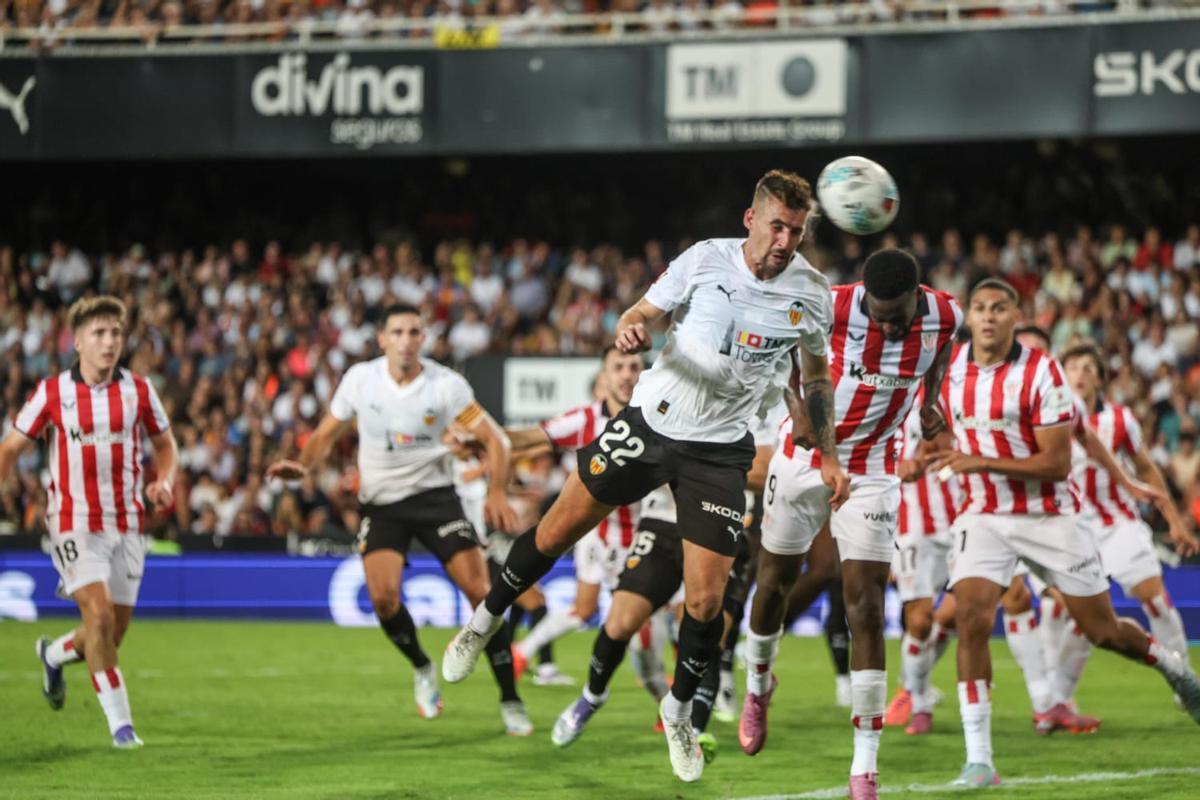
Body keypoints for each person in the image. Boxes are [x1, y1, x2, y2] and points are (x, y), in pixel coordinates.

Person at [442, 169, 844, 783]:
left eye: (797, 230)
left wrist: (828, 449)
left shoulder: (811, 293)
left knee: (705, 602)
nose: (786, 241)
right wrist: (631, 326)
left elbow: (815, 376)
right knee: (553, 534)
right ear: (751, 220)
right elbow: (641, 311)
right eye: (777, 227)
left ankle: (678, 713)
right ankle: (482, 622)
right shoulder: (705, 260)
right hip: (650, 424)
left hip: (718, 453)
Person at [925, 279, 1200, 789]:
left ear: (1016, 316)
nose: (988, 317)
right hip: (982, 515)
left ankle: (1172, 667)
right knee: (971, 619)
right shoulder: (952, 366)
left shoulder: (1042, 373)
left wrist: (978, 460)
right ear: (970, 317)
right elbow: (936, 423)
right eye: (979, 308)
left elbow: (1057, 462)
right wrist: (925, 451)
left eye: (999, 308)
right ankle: (979, 759)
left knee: (1103, 632)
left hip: (1049, 518)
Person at [741, 248, 963, 800]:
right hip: (802, 458)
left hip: (874, 470)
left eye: (898, 317)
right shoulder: (830, 305)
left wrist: (931, 400)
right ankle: (758, 683)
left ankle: (865, 765)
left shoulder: (945, 314)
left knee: (865, 604)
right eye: (879, 316)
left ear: (917, 298)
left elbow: (940, 352)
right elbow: (774, 356)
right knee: (773, 584)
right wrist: (794, 406)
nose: (888, 327)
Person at [265, 303, 533, 735]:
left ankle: (509, 697)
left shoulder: (446, 386)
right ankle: (423, 667)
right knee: (384, 601)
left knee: (481, 594)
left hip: (436, 500)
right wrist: (303, 466)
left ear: (423, 338)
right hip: (382, 504)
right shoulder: (360, 380)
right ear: (382, 339)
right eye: (397, 332)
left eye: (413, 332)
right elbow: (325, 434)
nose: (405, 341)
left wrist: (497, 492)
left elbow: (496, 441)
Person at [6, 296, 179, 748]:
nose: (109, 342)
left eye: (116, 333)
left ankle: (54, 653)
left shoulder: (139, 391)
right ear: (78, 342)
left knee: (110, 634)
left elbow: (166, 446)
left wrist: (165, 481)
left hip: (128, 526)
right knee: (98, 616)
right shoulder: (52, 393)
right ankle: (123, 729)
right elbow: (10, 449)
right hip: (73, 522)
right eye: (99, 334)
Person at [1055, 341, 1199, 705]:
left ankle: (1185, 680)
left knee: (1155, 600)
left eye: (1089, 368)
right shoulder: (1049, 419)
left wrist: (1174, 520)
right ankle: (1059, 701)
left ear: (1100, 379)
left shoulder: (1120, 419)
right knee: (1075, 617)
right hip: (1072, 532)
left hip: (1118, 523)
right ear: (1062, 375)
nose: (1081, 374)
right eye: (1073, 367)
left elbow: (1146, 469)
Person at [502, 346, 645, 681]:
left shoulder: (656, 415)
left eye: (633, 367)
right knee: (619, 611)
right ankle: (661, 687)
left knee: (604, 611)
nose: (626, 375)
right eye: (618, 368)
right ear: (603, 378)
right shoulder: (586, 420)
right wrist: (485, 436)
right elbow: (535, 437)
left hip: (641, 526)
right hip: (597, 529)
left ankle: (523, 651)